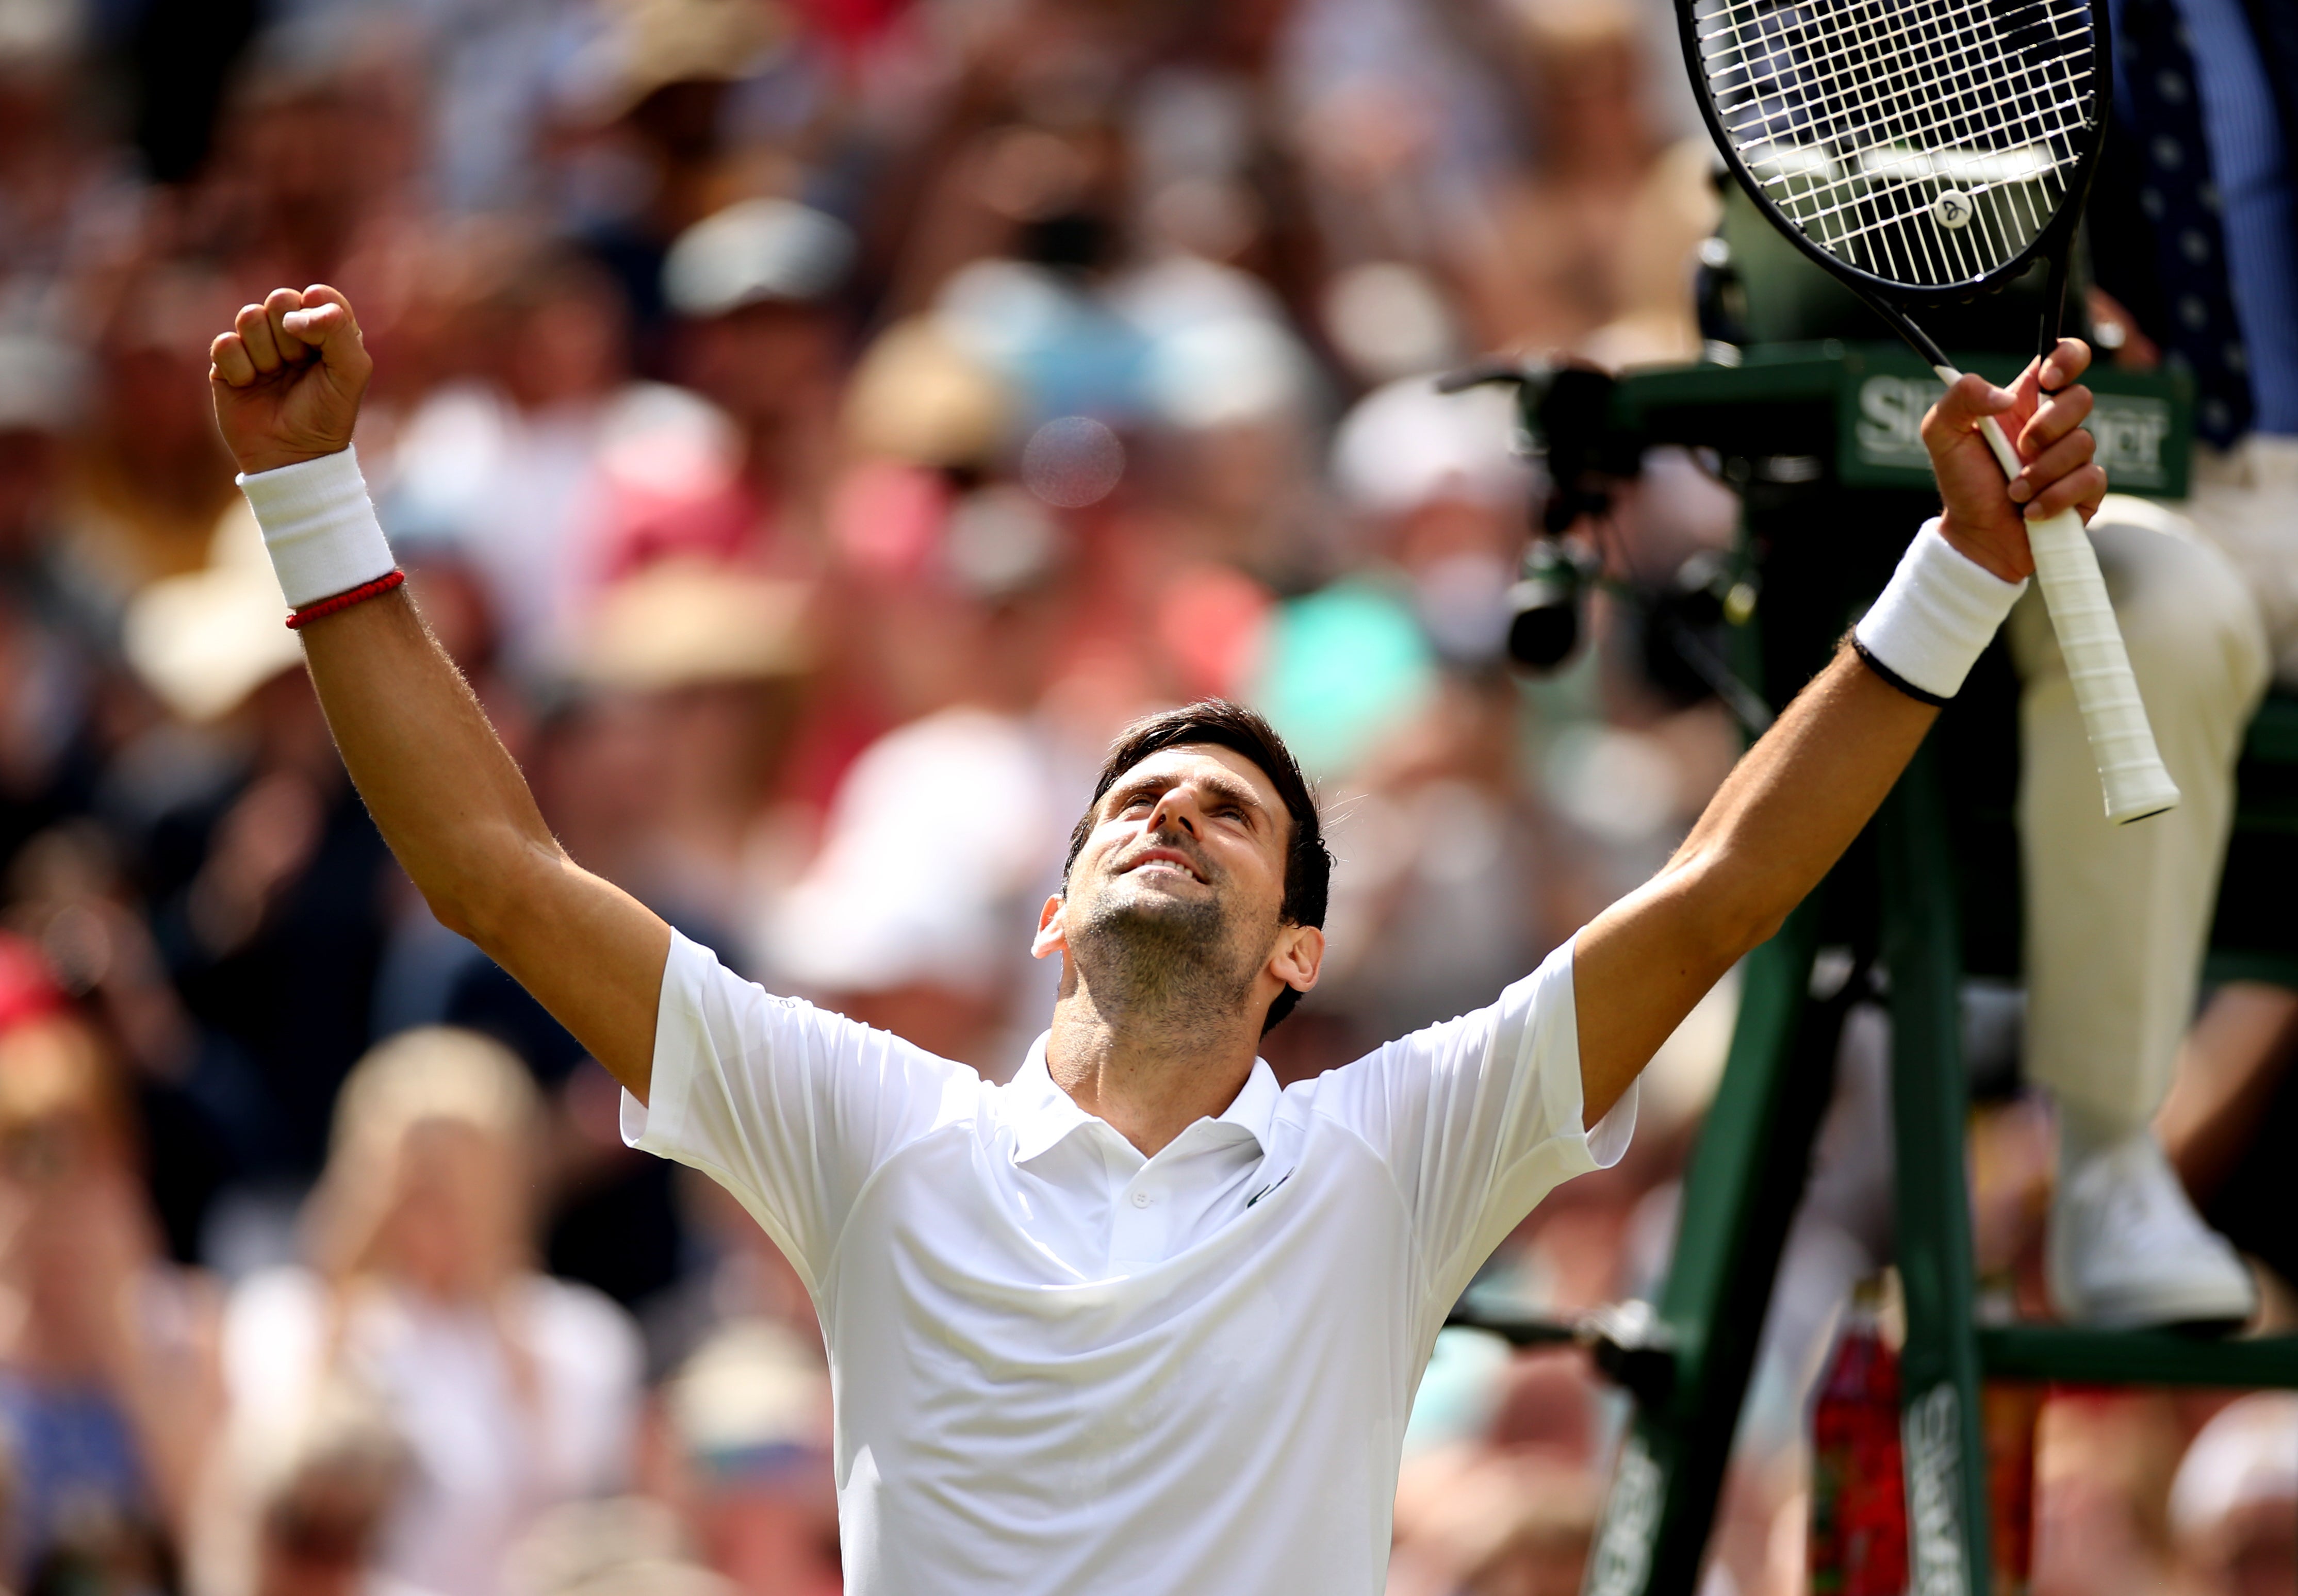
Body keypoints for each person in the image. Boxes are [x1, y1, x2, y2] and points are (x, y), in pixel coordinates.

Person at [204, 281, 2105, 1593]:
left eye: (1233, 815)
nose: (1171, 814)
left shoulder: (1393, 1153)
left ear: (1296, 955)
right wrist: (305, 490)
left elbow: (1721, 888)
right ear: (1052, 919)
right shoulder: (876, 1133)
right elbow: (496, 875)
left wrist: (1957, 574)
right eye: (1132, 804)